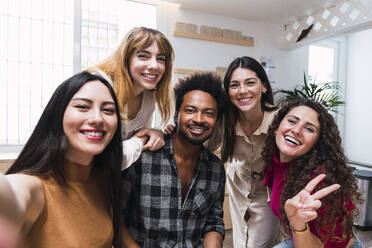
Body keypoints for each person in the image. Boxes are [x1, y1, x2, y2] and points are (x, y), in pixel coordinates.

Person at [0, 72, 123, 248]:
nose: (97, 118)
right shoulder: (34, 186)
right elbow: (11, 193)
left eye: (108, 110)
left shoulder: (102, 179)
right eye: (82, 106)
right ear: (58, 114)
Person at [121, 73, 227, 248]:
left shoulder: (215, 168)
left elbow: (213, 221)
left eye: (208, 113)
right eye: (190, 110)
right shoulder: (144, 156)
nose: (199, 119)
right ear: (177, 113)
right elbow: (117, 217)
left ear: (216, 120)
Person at [262, 98, 363, 248]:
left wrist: (298, 224)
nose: (296, 130)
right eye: (292, 121)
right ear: (276, 127)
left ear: (317, 143)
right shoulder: (276, 160)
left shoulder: (321, 181)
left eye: (309, 129)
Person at [90, 26, 175, 169]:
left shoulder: (149, 96)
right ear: (126, 58)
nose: (154, 65)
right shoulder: (100, 85)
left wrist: (155, 132)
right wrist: (138, 142)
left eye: (161, 59)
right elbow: (99, 159)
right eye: (143, 56)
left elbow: (140, 135)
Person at [221, 56, 279, 247]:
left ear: (263, 86)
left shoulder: (280, 120)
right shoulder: (224, 122)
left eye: (250, 83)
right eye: (234, 85)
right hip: (239, 195)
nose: (242, 90)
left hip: (268, 198)